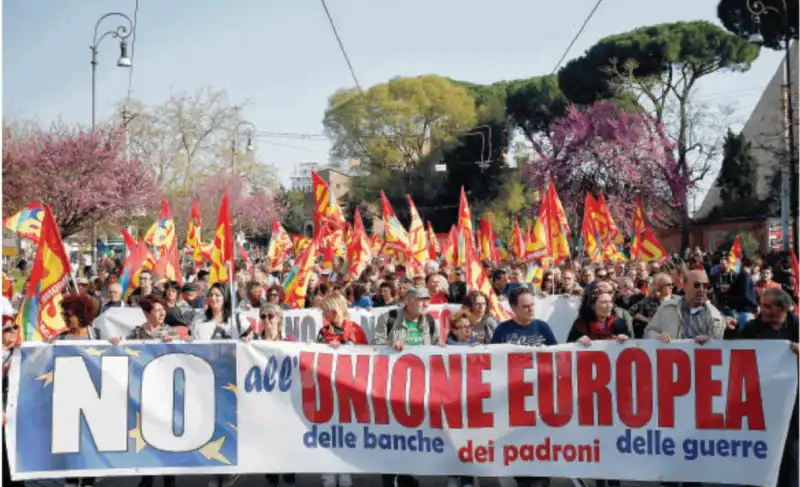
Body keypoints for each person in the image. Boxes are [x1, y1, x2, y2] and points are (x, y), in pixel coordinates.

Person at [109, 294, 180, 487]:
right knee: (146, 434)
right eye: (157, 310)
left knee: (166, 435)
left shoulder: (170, 332)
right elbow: (127, 351)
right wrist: (117, 344)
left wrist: (176, 342)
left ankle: (169, 477)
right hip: (145, 392)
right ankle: (147, 476)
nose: (161, 313)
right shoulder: (138, 332)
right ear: (147, 313)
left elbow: (182, 354)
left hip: (166, 393)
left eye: (163, 310)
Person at [373, 286, 439, 487]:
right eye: (420, 300)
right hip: (393, 386)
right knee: (392, 433)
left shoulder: (429, 321)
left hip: (419, 387)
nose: (425, 304)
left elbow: (437, 347)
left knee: (413, 433)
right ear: (408, 300)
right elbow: (374, 345)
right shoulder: (389, 318)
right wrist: (391, 346)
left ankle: (406, 475)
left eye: (427, 300)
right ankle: (389, 476)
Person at [491, 287, 554, 487]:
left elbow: (558, 356)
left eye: (532, 305)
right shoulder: (503, 330)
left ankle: (542, 478)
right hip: (513, 399)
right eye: (525, 306)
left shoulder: (543, 327)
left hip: (540, 398)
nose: (530, 309)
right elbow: (491, 360)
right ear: (513, 308)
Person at [736, 287, 798, 487]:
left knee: (789, 451)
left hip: (790, 403)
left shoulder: (797, 326)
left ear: (784, 308)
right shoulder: (752, 328)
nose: (762, 310)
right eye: (762, 305)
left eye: (768, 306)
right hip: (759, 401)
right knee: (759, 448)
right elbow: (732, 352)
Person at [644, 270, 727, 343]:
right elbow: (649, 332)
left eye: (705, 286)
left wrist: (709, 341)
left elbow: (721, 345)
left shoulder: (716, 316)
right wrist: (658, 337)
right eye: (697, 285)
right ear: (684, 287)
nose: (701, 289)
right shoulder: (667, 308)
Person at [2, 302, 22, 487]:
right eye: (9, 328)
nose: (14, 330)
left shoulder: (20, 350)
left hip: (15, 414)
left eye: (15, 326)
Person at [629, 273, 673, 338]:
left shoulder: (675, 300)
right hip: (654, 337)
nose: (671, 287)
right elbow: (631, 311)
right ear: (659, 286)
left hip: (671, 336)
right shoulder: (649, 300)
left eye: (672, 284)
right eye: (668, 285)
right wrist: (647, 319)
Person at [728, 256, 760, 328]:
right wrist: (755, 305)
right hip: (744, 312)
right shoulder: (745, 276)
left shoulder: (743, 275)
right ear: (753, 265)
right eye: (758, 266)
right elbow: (745, 294)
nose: (758, 269)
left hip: (741, 311)